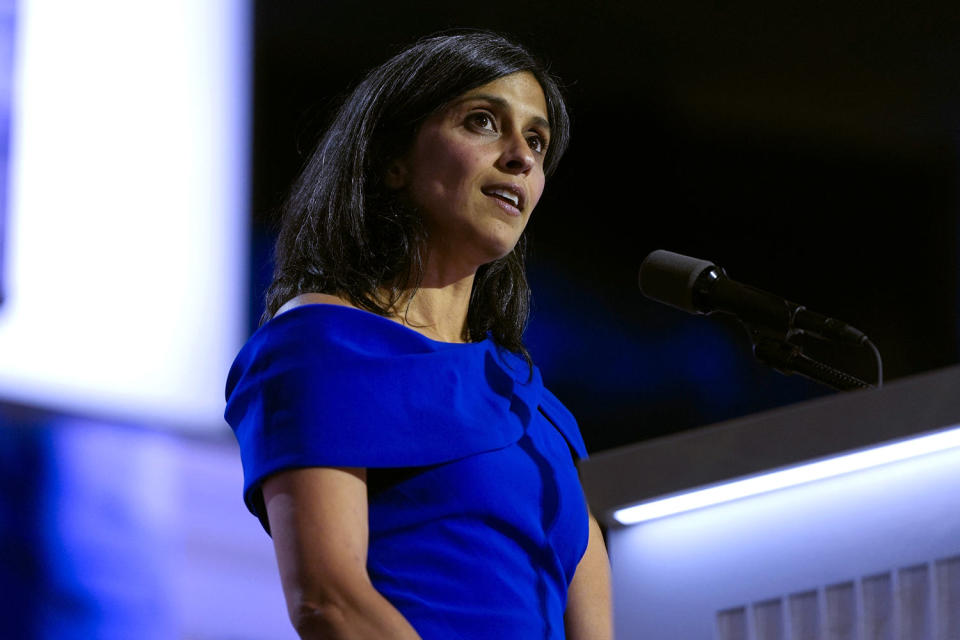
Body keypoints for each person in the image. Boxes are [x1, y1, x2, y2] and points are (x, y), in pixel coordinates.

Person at [225, 31, 612, 639]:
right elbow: (331, 602)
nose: (522, 156)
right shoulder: (322, 346)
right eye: (484, 122)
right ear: (393, 161)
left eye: (537, 140)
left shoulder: (534, 405)